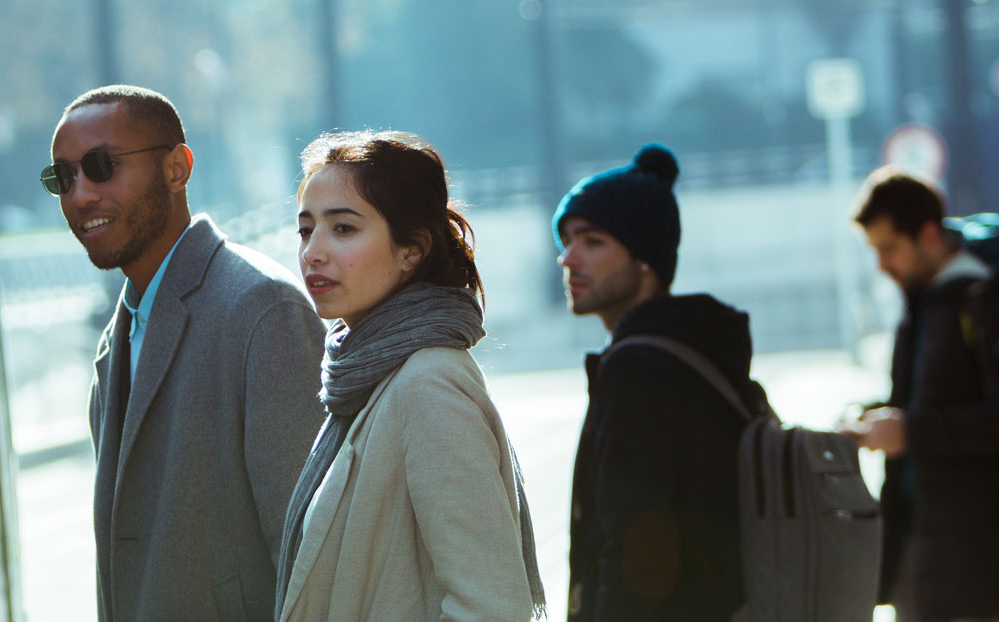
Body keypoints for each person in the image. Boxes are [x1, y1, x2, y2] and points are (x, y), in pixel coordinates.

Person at [46, 85, 325, 621]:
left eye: (101, 166)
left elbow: (313, 561)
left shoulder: (262, 309)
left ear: (177, 169)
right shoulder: (116, 340)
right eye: (64, 177)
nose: (80, 195)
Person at [273, 130, 545, 621]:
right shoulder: (364, 375)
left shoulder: (429, 385)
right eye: (306, 229)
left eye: (344, 229)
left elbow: (491, 607)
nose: (313, 251)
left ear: (411, 251)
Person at [557, 144, 747, 621]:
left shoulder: (638, 367)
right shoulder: (696, 349)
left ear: (646, 260)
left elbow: (638, 545)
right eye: (567, 239)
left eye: (592, 241)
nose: (568, 258)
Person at [843, 167, 998, 621]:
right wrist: (877, 417)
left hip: (977, 568)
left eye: (888, 248)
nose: (882, 266)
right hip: (923, 554)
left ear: (928, 234)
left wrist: (911, 432)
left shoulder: (982, 299)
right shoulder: (921, 302)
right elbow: (929, 403)